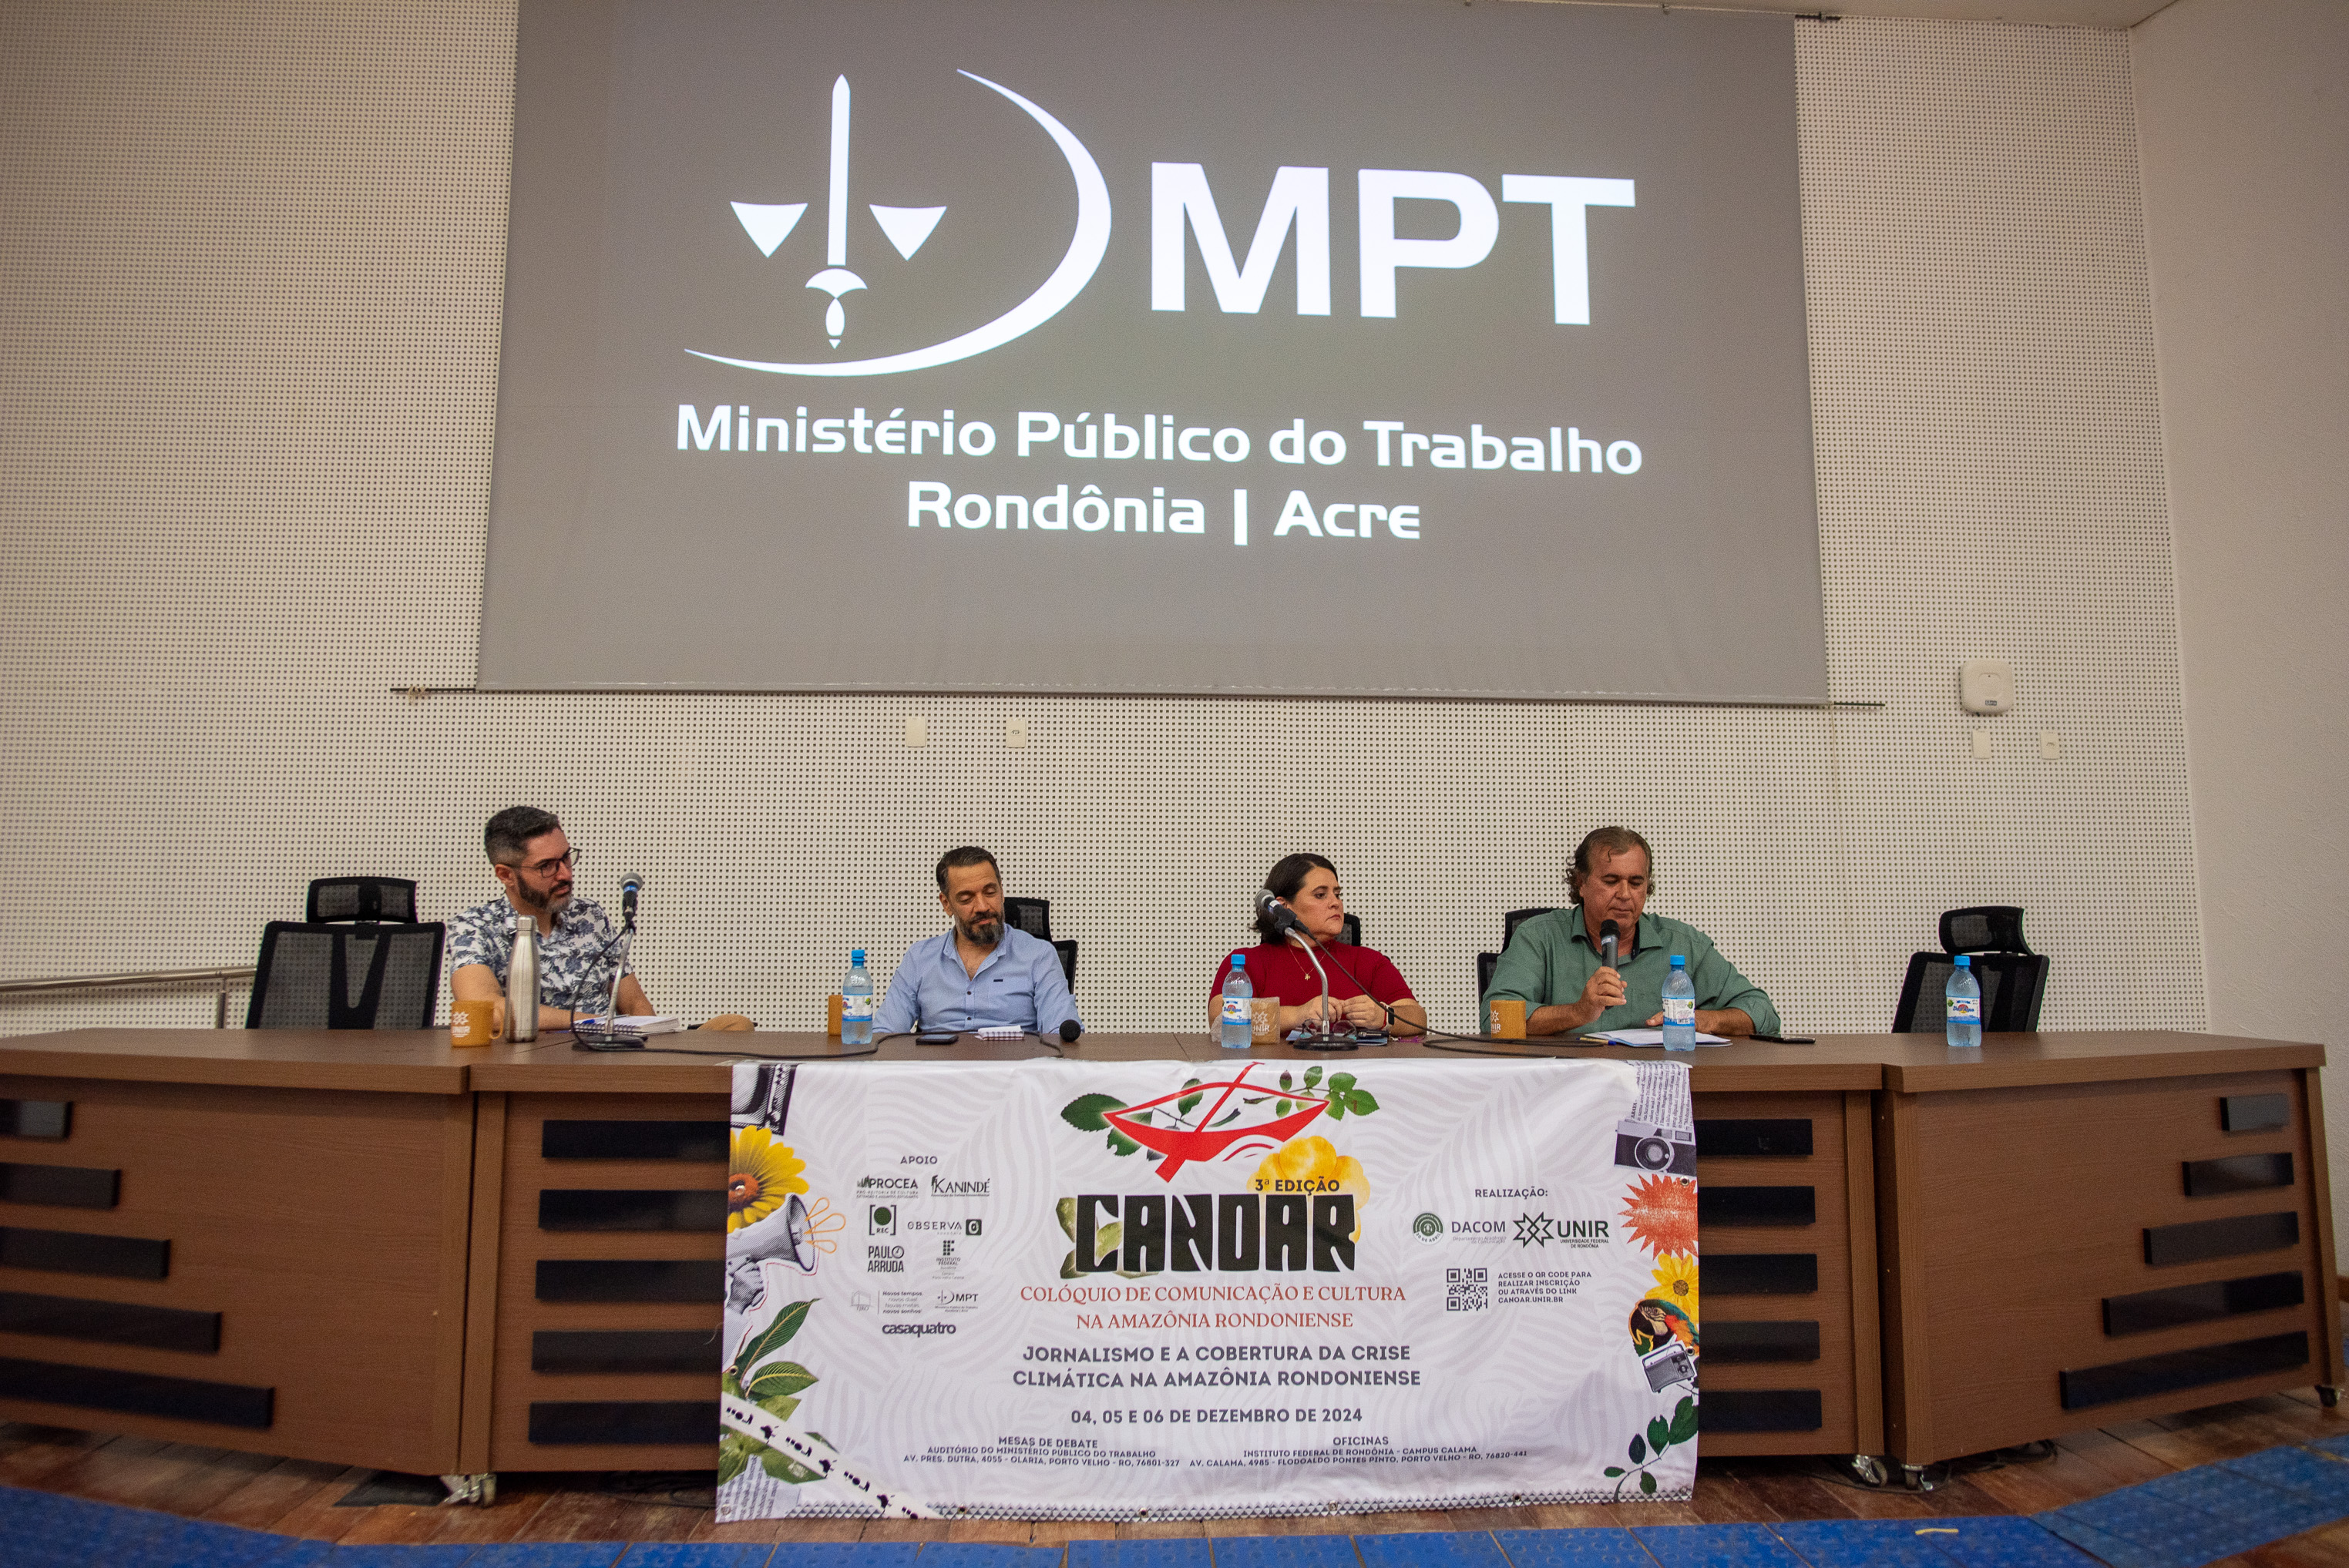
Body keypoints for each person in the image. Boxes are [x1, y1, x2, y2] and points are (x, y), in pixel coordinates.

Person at [1483, 827, 1778, 1039]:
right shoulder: (1539, 937)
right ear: (1581, 883)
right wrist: (1578, 1012)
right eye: (1611, 881)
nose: (1625, 894)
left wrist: (1701, 1020)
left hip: (1657, 1091)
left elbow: (1762, 1012)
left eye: (1636, 883)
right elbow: (1493, 1018)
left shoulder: (1682, 943)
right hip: (1560, 1091)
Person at [449, 807, 654, 1032]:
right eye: (546, 866)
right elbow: (488, 1011)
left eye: (566, 858)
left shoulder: (589, 915)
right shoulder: (475, 927)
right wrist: (598, 1023)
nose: (565, 874)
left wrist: (654, 1043)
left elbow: (635, 1005)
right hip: (528, 1061)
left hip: (603, 1058)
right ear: (506, 875)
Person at [873, 847, 1081, 1038]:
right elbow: (885, 1034)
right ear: (947, 904)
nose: (982, 906)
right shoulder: (919, 958)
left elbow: (1062, 1033)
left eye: (990, 892)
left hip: (1014, 1072)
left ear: (1001, 892)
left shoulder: (1039, 955)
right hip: (939, 1073)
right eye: (966, 898)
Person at [1211, 854, 1427, 1036]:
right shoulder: (1247, 962)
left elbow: (1417, 1017)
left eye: (1337, 894)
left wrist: (1384, 1017)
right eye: (1320, 895)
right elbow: (1220, 1018)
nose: (1336, 903)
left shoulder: (1368, 961)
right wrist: (1298, 1015)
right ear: (1283, 906)